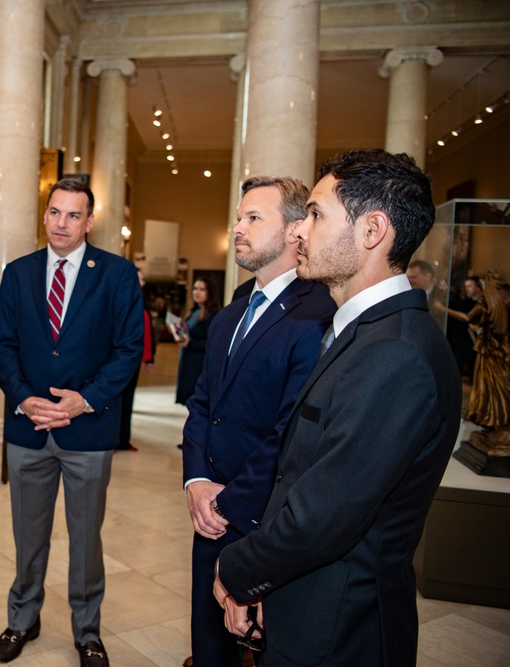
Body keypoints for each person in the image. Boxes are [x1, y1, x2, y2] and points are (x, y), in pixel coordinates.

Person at [214, 149, 462, 666]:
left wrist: (237, 570)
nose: (298, 232)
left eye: (317, 215)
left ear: (372, 230)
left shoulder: (396, 354)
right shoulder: (364, 333)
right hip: (307, 607)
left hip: (338, 633)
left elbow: (323, 516)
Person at [181, 176, 335, 667]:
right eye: (239, 217)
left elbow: (291, 432)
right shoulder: (231, 312)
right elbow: (203, 404)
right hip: (210, 513)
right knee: (209, 646)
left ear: (296, 230)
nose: (237, 227)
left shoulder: (317, 314)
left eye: (253, 217)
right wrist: (197, 480)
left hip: (266, 522)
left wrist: (227, 502)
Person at [0, 178, 143, 667]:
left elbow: (128, 351)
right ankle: (22, 619)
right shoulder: (17, 273)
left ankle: (87, 631)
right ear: (45, 215)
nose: (62, 223)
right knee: (27, 534)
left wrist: (86, 401)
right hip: (29, 428)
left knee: (85, 540)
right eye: (55, 212)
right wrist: (24, 398)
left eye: (73, 215)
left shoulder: (117, 275)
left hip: (88, 431)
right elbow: (4, 345)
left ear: (89, 221)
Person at [465, 270, 510, 429]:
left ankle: (496, 420)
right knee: (490, 386)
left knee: (493, 386)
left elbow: (470, 317)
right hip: (495, 349)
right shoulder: (498, 303)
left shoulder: (491, 303)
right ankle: (494, 419)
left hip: (494, 350)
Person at [117, 268, 156, 452]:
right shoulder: (123, 299)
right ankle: (117, 439)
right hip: (122, 358)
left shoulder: (139, 299)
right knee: (118, 400)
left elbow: (148, 330)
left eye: (142, 279)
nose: (142, 282)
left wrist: (150, 357)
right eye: (138, 278)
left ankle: (123, 439)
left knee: (127, 400)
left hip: (135, 357)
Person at [175, 276, 222, 407]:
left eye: (202, 289)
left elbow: (213, 344)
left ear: (210, 293)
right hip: (188, 361)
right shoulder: (195, 311)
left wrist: (190, 343)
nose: (197, 292)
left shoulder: (213, 315)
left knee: (195, 404)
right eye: (195, 288)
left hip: (199, 364)